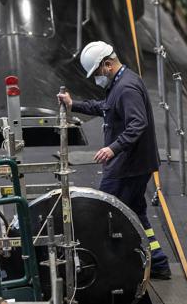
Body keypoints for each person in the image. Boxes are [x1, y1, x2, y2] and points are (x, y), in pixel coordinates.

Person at [57, 41, 171, 280]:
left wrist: (112, 148)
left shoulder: (127, 87)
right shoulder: (121, 83)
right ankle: (158, 261)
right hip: (133, 165)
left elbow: (137, 123)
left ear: (107, 65)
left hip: (128, 167)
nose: (96, 78)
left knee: (103, 213)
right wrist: (73, 104)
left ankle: (107, 269)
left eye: (97, 73)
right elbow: (105, 107)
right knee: (137, 214)